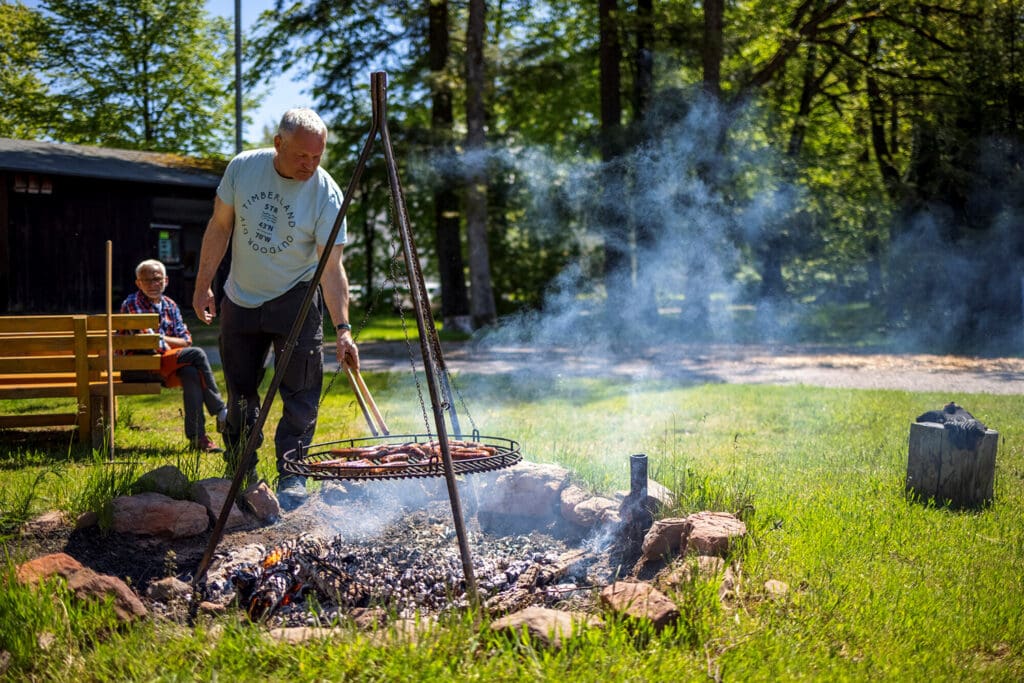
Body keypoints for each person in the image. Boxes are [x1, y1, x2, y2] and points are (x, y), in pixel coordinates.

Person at [191, 107, 359, 511]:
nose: (310, 165)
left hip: (296, 296)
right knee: (241, 394)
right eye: (302, 155)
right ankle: (241, 470)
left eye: (318, 157)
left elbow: (331, 269)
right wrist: (203, 287)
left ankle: (293, 474)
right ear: (278, 144)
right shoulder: (243, 169)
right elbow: (219, 227)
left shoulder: (327, 194)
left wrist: (343, 329)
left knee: (301, 391)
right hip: (241, 297)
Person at [121, 259, 227, 453]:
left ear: (166, 280)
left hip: (166, 364)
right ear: (138, 283)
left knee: (190, 372)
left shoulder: (170, 305)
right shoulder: (132, 303)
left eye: (157, 279)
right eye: (147, 280)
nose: (153, 284)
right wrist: (164, 340)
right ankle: (221, 410)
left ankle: (198, 438)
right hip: (140, 367)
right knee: (196, 354)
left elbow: (186, 340)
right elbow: (149, 343)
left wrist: (161, 338)